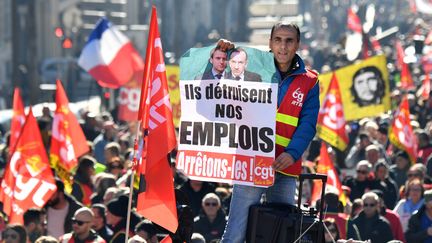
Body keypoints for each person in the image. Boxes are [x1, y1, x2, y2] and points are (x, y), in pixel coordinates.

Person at [219, 22, 320, 243]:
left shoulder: (310, 81)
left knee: (280, 234)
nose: (283, 46)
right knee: (235, 233)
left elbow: (308, 124)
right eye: (278, 40)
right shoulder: (251, 68)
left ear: (297, 45)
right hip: (252, 162)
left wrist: (292, 154)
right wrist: (223, 52)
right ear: (270, 43)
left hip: (285, 166)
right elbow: (219, 80)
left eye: (289, 40)